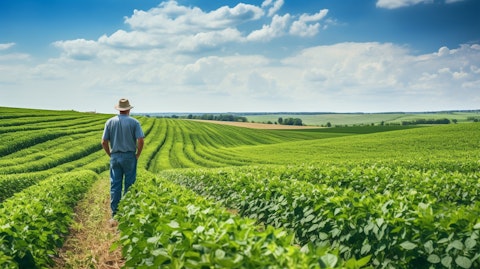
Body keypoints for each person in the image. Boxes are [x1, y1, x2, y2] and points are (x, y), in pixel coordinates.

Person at [102, 98, 144, 219]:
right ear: (129, 110)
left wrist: (110, 154)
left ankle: (115, 213)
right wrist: (137, 154)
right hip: (129, 156)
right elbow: (140, 140)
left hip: (115, 156)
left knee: (115, 184)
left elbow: (104, 141)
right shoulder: (134, 122)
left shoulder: (109, 122)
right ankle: (128, 212)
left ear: (119, 109)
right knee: (130, 184)